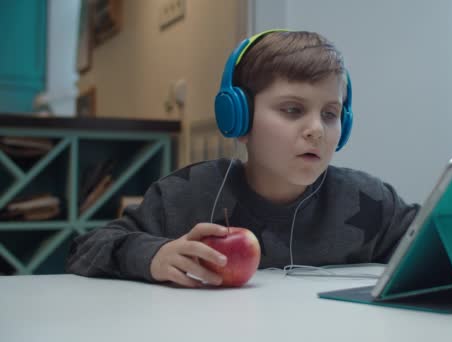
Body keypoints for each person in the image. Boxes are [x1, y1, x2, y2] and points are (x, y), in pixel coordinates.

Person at [66, 29, 419, 288]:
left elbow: (438, 245)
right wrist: (154, 256)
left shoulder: (369, 201)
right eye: (292, 109)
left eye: (330, 114)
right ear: (239, 117)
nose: (316, 129)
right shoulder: (185, 196)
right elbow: (85, 250)